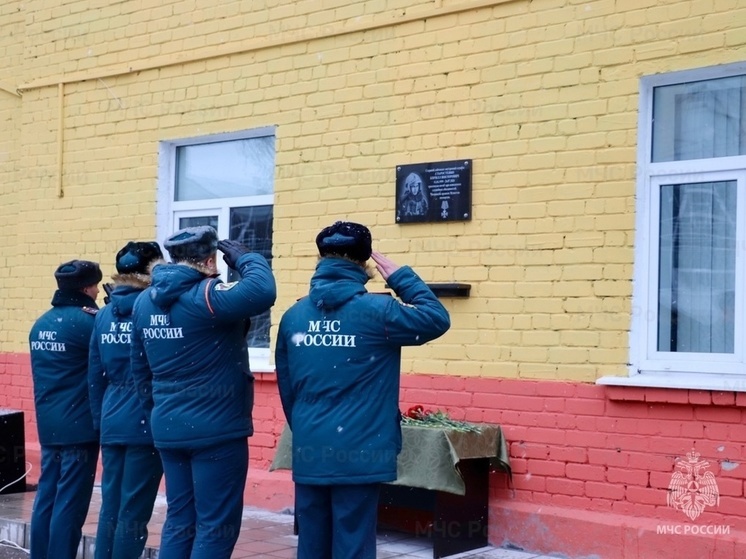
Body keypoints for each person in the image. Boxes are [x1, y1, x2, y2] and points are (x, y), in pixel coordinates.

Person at [274, 221, 451, 559]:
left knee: (311, 541)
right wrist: (401, 277)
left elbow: (287, 387)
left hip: (312, 445)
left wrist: (310, 429)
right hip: (360, 450)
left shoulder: (294, 315)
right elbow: (436, 318)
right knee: (353, 542)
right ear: (366, 261)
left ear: (320, 258)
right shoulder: (380, 312)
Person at [130, 226, 276, 558]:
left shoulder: (144, 303)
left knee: (180, 520)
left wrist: (158, 415)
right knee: (215, 526)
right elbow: (263, 291)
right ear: (210, 261)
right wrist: (248, 258)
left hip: (168, 428)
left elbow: (140, 370)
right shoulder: (207, 296)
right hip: (216, 431)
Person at [88, 241, 165, 559]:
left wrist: (100, 421)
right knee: (134, 511)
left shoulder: (104, 314)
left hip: (112, 418)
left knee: (111, 505)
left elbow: (94, 376)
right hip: (143, 421)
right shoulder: (152, 308)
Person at [28, 259, 103, 559]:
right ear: (86, 288)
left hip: (49, 425)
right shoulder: (91, 322)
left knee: (47, 496)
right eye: (95, 286)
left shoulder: (41, 323)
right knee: (70, 502)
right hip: (80, 428)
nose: (98, 291)